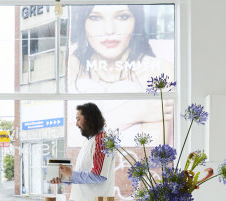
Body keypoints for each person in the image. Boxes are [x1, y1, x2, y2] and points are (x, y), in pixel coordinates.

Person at [67, 5, 174, 145]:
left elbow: (152, 156)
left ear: (137, 20)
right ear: (82, 21)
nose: (109, 30)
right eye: (95, 17)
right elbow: (67, 142)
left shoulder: (157, 70)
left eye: (122, 17)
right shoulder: (71, 68)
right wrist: (133, 111)